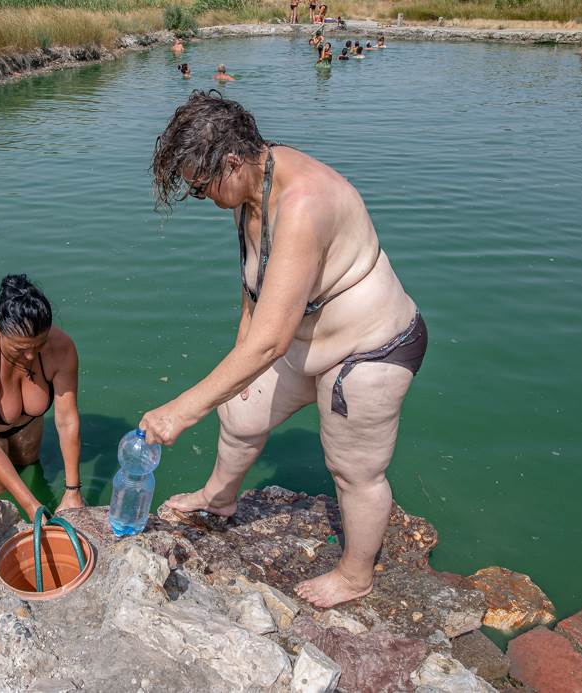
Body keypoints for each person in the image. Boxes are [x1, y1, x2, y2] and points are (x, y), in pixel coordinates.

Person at [145, 92, 427, 609]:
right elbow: (256, 292)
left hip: (370, 351)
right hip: (308, 338)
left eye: (200, 184)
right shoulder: (252, 184)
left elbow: (272, 340)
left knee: (352, 469)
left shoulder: (303, 204)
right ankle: (219, 498)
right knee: (240, 410)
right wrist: (239, 365)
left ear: (231, 161)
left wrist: (178, 411)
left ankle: (355, 575)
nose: (198, 194)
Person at [0, 274, 85, 516]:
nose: (30, 356)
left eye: (38, 345)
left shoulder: (62, 348)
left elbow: (67, 421)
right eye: (21, 349)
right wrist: (32, 507)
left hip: (27, 420)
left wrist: (73, 490)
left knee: (31, 466)